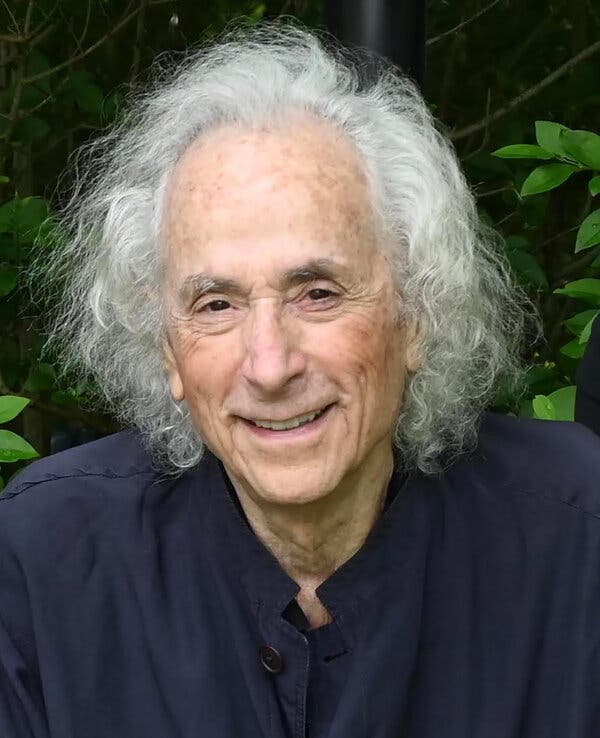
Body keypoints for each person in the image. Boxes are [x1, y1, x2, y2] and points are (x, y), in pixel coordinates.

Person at [2, 22, 600, 738]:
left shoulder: (579, 536)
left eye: (317, 293)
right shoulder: (45, 560)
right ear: (167, 352)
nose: (270, 364)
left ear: (417, 315)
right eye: (215, 305)